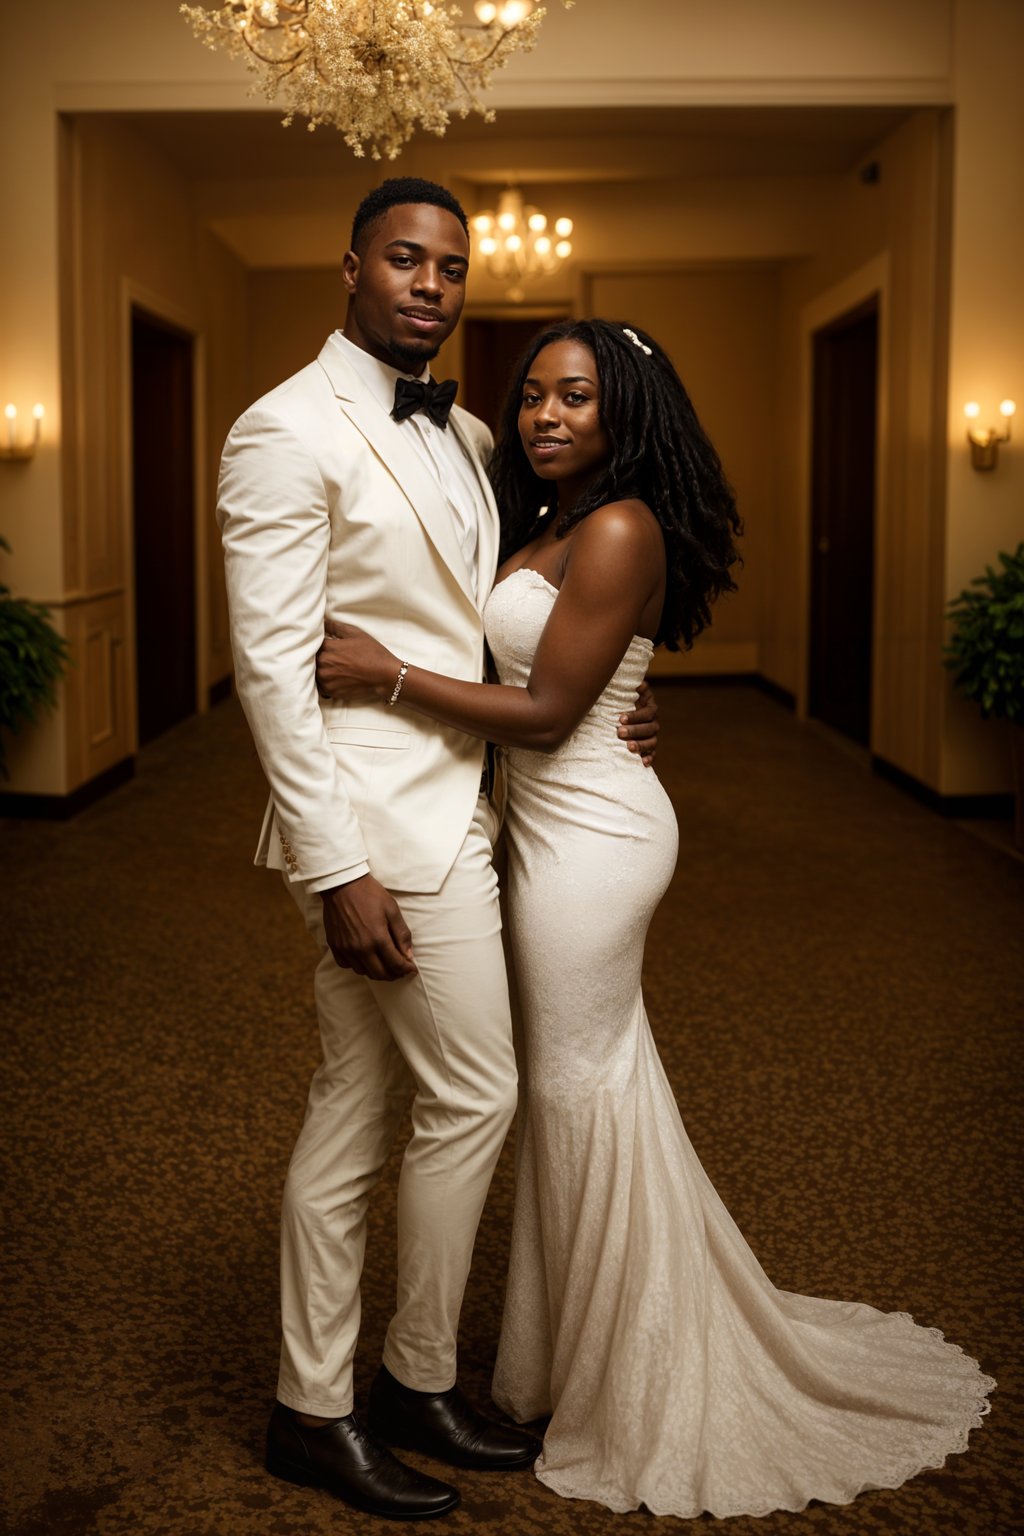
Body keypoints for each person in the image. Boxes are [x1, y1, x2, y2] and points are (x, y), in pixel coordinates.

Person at [315, 317, 996, 1520]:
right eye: (532, 396)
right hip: (546, 822)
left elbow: (540, 711)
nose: (545, 416)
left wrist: (388, 675)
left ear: (626, 410)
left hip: (592, 841)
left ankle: (629, 1375)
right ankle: (564, 1351)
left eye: (576, 396)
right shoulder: (545, 522)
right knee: (584, 1084)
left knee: (574, 1090)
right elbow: (575, 680)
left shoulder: (619, 524)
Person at [216, 183, 658, 1522]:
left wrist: (620, 673)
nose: (431, 283)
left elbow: (527, 599)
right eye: (405, 259)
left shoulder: (470, 431)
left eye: (451, 267)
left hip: (474, 803)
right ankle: (402, 1381)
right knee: (475, 1096)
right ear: (349, 266)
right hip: (385, 828)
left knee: (354, 1112)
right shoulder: (285, 429)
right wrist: (332, 863)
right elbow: (274, 676)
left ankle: (318, 1405)